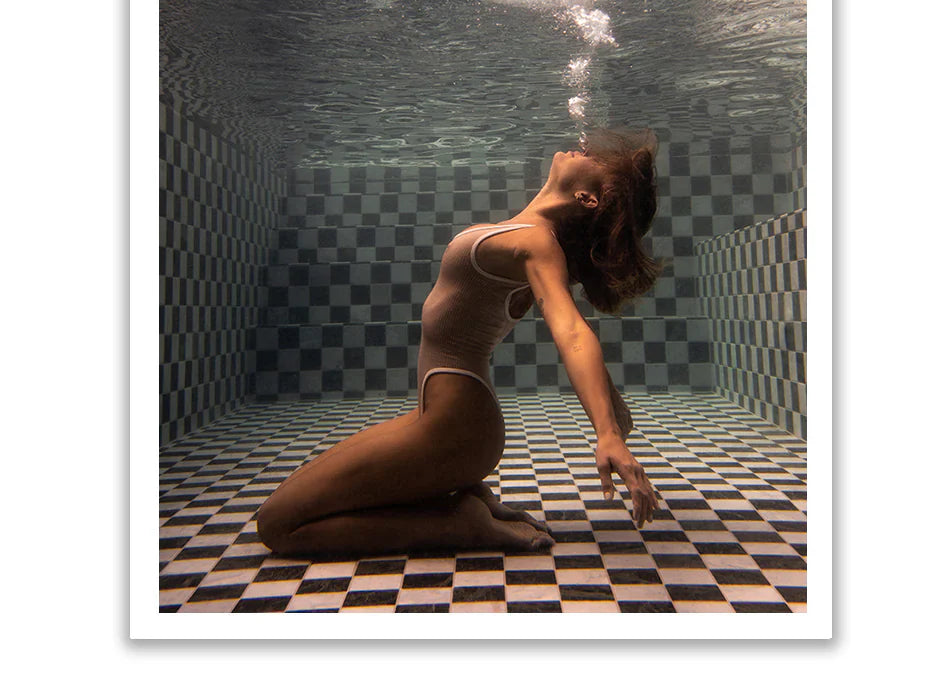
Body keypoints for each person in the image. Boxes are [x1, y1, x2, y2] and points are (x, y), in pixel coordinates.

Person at [256, 128, 663, 557]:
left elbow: (572, 331)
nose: (584, 147)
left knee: (279, 525)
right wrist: (612, 405)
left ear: (587, 199)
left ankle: (457, 525)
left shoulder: (536, 244)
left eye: (595, 159)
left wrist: (608, 432)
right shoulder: (530, 234)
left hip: (455, 428)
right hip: (448, 423)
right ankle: (465, 496)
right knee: (306, 505)